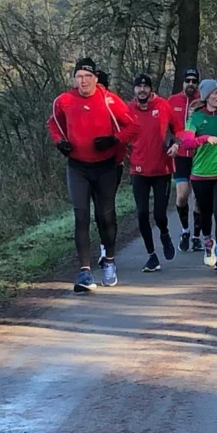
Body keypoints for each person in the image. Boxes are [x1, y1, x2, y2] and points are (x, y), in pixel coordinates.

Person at [48, 57, 139, 291]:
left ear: (96, 79)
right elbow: (53, 124)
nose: (84, 81)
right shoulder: (64, 101)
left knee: (105, 216)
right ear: (74, 79)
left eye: (88, 76)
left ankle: (109, 261)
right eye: (79, 76)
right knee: (81, 216)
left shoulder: (109, 100)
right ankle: (85, 273)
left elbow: (133, 126)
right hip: (77, 166)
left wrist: (113, 140)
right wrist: (60, 143)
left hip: (105, 166)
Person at [180, 79, 217, 271]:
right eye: (215, 93)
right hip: (200, 174)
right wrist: (205, 139)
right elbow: (187, 143)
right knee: (205, 213)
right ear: (206, 96)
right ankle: (208, 244)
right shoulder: (195, 119)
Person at [127, 73, 179, 272]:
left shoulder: (163, 106)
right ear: (134, 90)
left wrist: (176, 145)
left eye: (145, 87)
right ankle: (151, 256)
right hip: (138, 169)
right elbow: (119, 133)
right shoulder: (128, 109)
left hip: (161, 169)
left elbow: (180, 130)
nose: (142, 90)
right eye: (138, 87)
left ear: (151, 89)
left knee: (159, 215)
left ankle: (164, 234)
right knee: (141, 213)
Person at [168, 69, 204, 253]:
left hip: (199, 155)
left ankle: (197, 237)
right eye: (187, 80)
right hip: (181, 155)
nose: (191, 83)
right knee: (182, 196)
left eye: (194, 80)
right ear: (182, 83)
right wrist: (170, 144)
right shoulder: (172, 101)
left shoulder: (203, 100)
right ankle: (185, 230)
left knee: (198, 199)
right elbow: (164, 126)